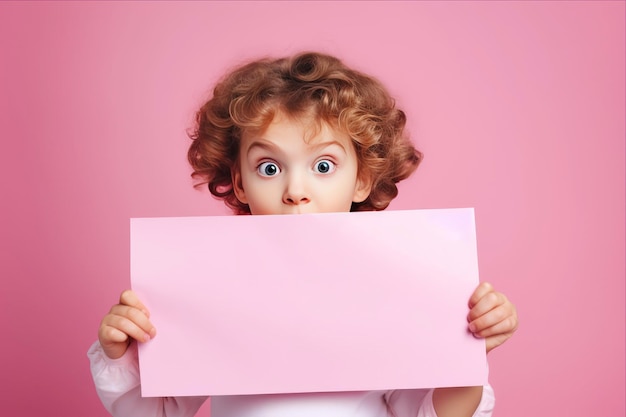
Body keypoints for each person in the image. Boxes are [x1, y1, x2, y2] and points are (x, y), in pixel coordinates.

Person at [89, 52, 518, 417]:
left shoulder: (395, 287)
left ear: (362, 180)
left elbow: (432, 413)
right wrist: (123, 353)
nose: (296, 191)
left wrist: (464, 354)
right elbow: (157, 411)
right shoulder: (208, 288)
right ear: (239, 182)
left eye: (324, 166)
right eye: (269, 168)